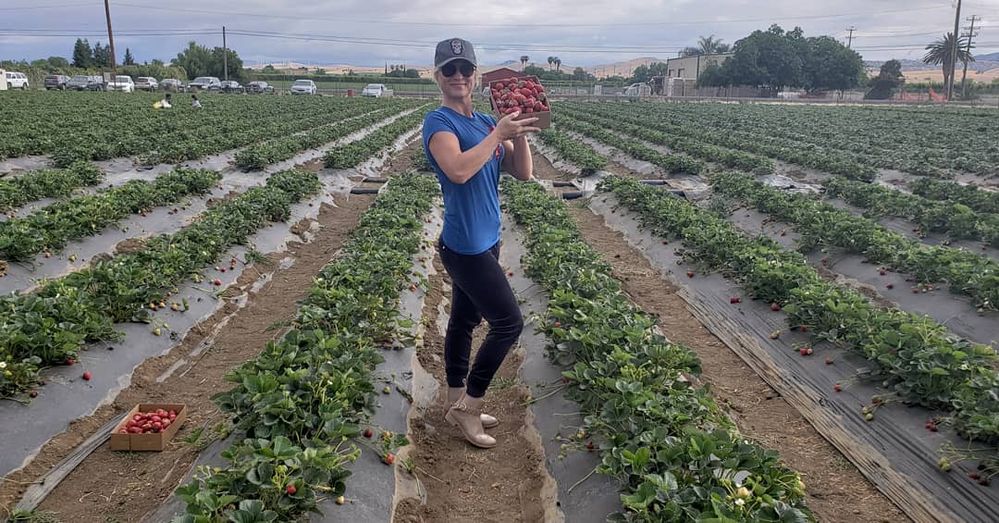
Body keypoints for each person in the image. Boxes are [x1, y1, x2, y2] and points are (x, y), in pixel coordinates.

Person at [422, 38, 540, 449]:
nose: (458, 77)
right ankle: (469, 406)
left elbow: (522, 172)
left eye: (465, 70)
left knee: (464, 321)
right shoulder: (439, 123)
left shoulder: (486, 122)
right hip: (465, 246)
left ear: (476, 75)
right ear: (437, 75)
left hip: (486, 239)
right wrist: (497, 135)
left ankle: (456, 398)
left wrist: (518, 128)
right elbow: (456, 170)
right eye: (449, 70)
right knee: (509, 323)